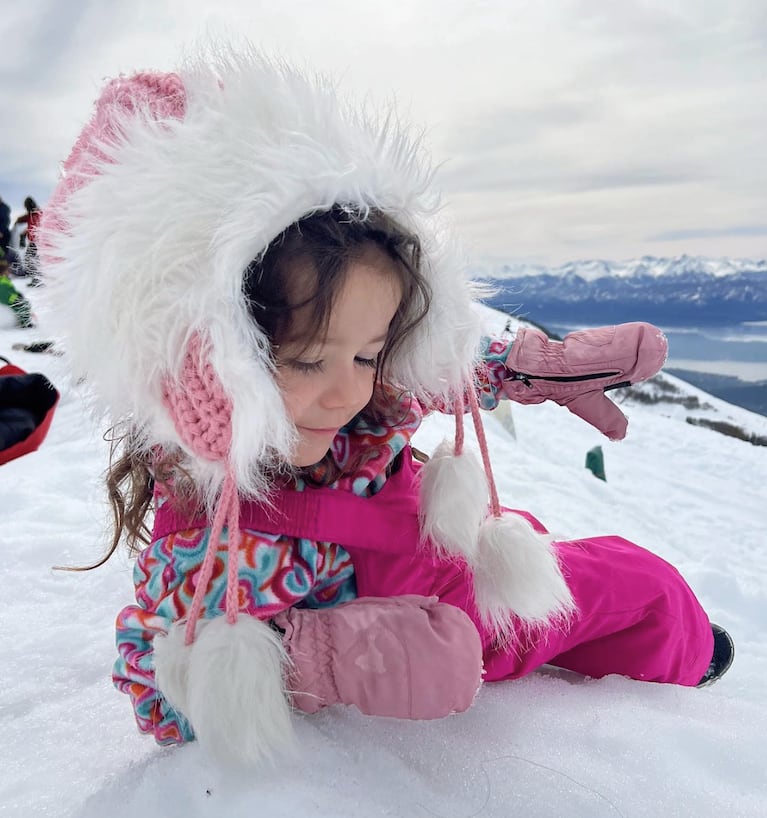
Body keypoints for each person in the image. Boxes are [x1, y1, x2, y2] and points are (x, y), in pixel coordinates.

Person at [39, 49, 733, 766]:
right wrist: (321, 656)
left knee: (563, 554)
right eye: (308, 358)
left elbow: (411, 380)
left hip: (433, 550)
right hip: (448, 621)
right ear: (207, 364)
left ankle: (670, 638)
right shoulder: (206, 537)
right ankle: (689, 654)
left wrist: (523, 370)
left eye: (368, 354)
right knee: (634, 583)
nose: (349, 392)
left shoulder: (322, 410)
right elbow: (163, 692)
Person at [15, 197, 43, 285]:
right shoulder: (31, 214)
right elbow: (26, 222)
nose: (26, 208)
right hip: (33, 242)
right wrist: (18, 222)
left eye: (26, 206)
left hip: (38, 242)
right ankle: (36, 278)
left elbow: (37, 226)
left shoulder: (38, 213)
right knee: (30, 259)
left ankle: (37, 279)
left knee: (32, 259)